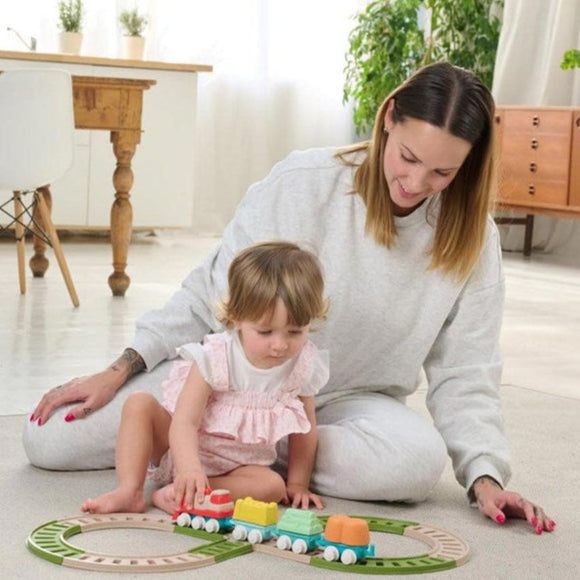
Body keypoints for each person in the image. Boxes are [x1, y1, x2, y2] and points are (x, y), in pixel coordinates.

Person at [25, 62, 554, 534]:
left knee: (415, 462)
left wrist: (485, 476)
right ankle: (236, 454)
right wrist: (122, 367)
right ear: (389, 117)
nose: (415, 182)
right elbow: (207, 295)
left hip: (347, 404)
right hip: (226, 386)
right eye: (408, 157)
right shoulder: (304, 181)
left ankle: (249, 459)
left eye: (443, 172)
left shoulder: (472, 239)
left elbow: (467, 370)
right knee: (47, 438)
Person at [81, 241, 328, 515]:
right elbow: (184, 422)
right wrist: (189, 469)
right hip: (182, 450)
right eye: (265, 332)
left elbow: (305, 430)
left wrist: (297, 483)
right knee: (138, 403)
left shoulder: (302, 364)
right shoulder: (216, 356)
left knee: (272, 487)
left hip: (240, 469)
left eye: (295, 332)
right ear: (236, 318)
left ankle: (187, 494)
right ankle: (130, 491)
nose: (280, 345)